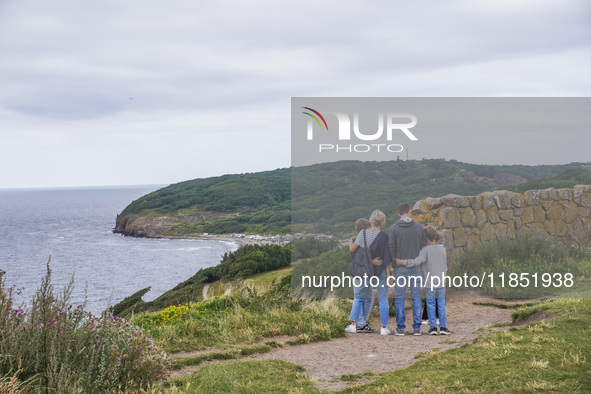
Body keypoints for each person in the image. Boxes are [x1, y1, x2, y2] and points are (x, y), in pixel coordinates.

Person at [395, 225, 450, 335]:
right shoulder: (442, 248)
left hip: (430, 283)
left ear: (425, 238)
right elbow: (445, 266)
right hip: (441, 281)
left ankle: (433, 328)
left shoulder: (425, 250)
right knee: (441, 304)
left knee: (430, 304)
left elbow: (416, 262)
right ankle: (443, 327)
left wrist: (402, 262)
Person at [346, 210, 392, 335]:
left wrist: (350, 240)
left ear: (371, 220)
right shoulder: (384, 236)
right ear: (382, 222)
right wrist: (388, 275)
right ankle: (383, 328)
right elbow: (387, 257)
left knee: (359, 297)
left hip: (365, 270)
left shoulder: (362, 234)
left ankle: (354, 325)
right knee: (383, 299)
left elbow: (353, 250)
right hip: (381, 269)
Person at [389, 203, 426, 336]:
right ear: (410, 211)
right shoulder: (419, 227)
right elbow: (424, 247)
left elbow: (391, 249)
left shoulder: (394, 228)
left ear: (399, 214)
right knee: (416, 297)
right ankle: (417, 328)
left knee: (399, 298)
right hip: (416, 267)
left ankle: (400, 328)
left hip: (400, 268)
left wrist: (394, 265)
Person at [345, 218, 375, 333]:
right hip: (364, 272)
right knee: (362, 298)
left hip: (357, 272)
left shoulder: (356, 239)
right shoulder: (365, 236)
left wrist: (350, 240)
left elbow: (352, 249)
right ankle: (354, 324)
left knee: (367, 298)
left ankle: (360, 324)